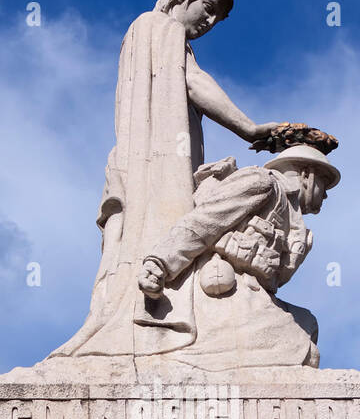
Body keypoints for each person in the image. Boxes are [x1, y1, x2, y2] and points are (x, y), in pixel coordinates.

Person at [50, 0, 282, 366]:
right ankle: (151, 311)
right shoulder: (158, 27)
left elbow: (191, 77)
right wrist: (249, 129)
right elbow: (194, 81)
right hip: (152, 166)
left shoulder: (155, 34)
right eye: (208, 8)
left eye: (218, 18)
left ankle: (138, 307)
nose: (209, 21)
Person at [135, 144, 341, 370]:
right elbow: (204, 222)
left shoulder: (297, 225)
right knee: (302, 346)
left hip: (255, 294)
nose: (327, 194)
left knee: (308, 324)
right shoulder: (262, 182)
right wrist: (159, 263)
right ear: (307, 175)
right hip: (224, 294)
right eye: (325, 182)